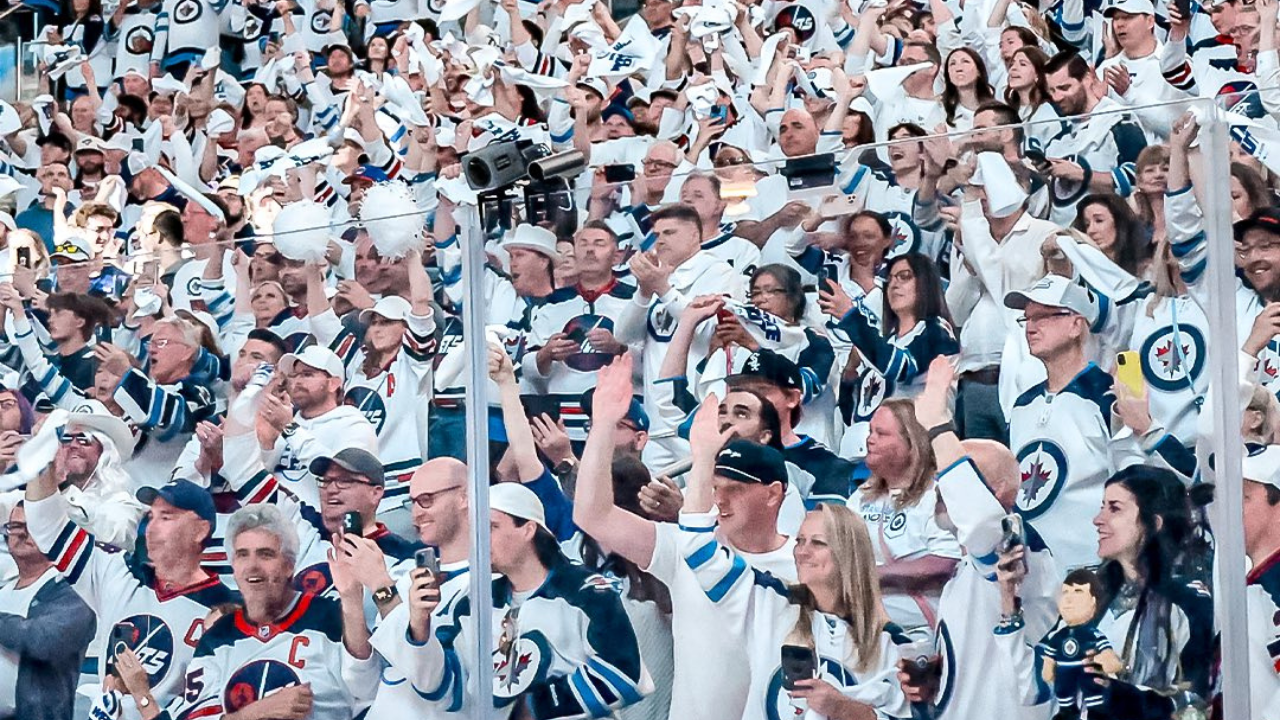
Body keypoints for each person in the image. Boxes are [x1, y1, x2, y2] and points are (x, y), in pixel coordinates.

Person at [574, 354, 795, 720]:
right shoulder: (680, 548)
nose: (720, 498)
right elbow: (592, 515)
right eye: (714, 486)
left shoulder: (804, 563)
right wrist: (603, 425)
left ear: (773, 494)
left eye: (734, 489)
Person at [673, 405, 910, 720]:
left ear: (848, 553)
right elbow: (697, 547)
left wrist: (845, 710)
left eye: (817, 542)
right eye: (799, 541)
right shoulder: (768, 601)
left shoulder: (891, 643)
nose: (802, 551)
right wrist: (703, 461)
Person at [23, 413, 237, 715]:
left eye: (167, 517)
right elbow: (46, 526)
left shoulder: (225, 611)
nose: (152, 527)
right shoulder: (119, 572)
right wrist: (41, 460)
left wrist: (142, 695)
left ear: (201, 530)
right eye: (151, 517)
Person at [403, 482, 650, 717]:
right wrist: (420, 628)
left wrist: (534, 707)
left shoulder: (586, 591)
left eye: (490, 527)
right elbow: (444, 691)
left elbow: (625, 674)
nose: (479, 540)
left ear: (528, 529)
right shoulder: (470, 604)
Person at [133, 503, 377, 719]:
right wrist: (258, 712)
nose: (252, 567)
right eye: (242, 555)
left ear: (289, 566)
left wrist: (351, 599)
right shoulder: (217, 638)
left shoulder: (328, 617)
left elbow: (367, 686)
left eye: (266, 554)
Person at [1003, 275, 1142, 569]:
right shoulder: (1021, 405)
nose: (1031, 327)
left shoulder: (1110, 395)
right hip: (1030, 575)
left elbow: (1135, 477)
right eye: (1026, 318)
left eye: (1043, 316)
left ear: (1076, 324)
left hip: (1092, 568)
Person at [848, 399, 961, 635]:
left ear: (912, 444)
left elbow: (944, 564)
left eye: (881, 433)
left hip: (919, 632)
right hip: (863, 627)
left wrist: (870, 576)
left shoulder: (937, 497)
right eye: (870, 431)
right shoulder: (860, 497)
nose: (870, 439)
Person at [0, 501, 97, 720]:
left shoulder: (74, 591)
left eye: (33, 525)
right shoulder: (3, 590)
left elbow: (44, 641)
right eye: (15, 526)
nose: (23, 534)